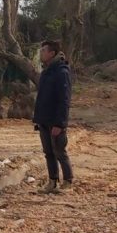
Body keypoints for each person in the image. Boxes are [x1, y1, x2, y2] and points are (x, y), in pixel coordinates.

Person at [33, 39, 73, 193]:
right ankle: (52, 181)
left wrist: (60, 124)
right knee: (48, 153)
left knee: (59, 152)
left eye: (43, 51)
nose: (41, 53)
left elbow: (64, 100)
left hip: (55, 121)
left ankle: (68, 181)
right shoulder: (46, 72)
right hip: (44, 120)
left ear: (52, 53)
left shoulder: (62, 72)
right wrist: (38, 119)